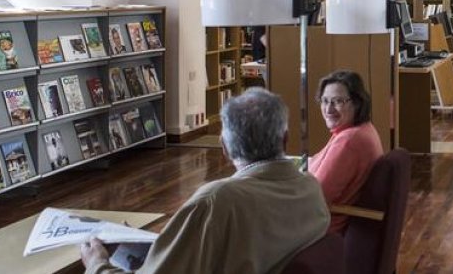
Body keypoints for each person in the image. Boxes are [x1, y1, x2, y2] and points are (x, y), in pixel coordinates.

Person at [80, 88, 330, 274]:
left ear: (224, 147)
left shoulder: (218, 201)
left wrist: (96, 265)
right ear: (285, 139)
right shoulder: (309, 187)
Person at [308, 70, 385, 234]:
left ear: (357, 103)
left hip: (320, 228)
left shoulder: (349, 141)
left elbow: (316, 198)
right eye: (325, 101)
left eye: (338, 101)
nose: (328, 109)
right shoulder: (360, 129)